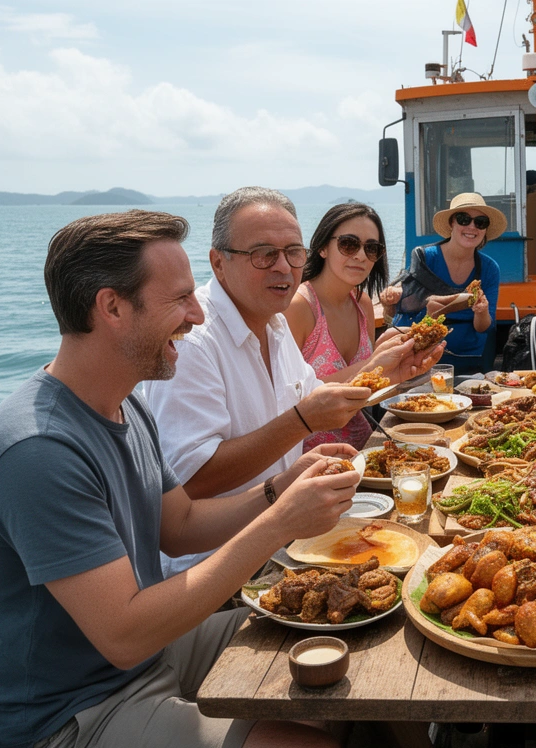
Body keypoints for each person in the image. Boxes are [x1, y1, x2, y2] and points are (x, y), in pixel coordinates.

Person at [0, 209, 353, 748]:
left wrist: (279, 490)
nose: (197, 315)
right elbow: (123, 634)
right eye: (180, 299)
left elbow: (180, 527)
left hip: (146, 658)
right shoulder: (37, 450)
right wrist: (282, 522)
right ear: (112, 307)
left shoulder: (124, 406)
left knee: (332, 643)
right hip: (67, 718)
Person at [144, 187, 434, 576]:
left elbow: (317, 396)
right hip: (219, 573)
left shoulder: (274, 322)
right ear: (218, 262)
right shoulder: (194, 342)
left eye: (292, 252)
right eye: (263, 254)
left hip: (288, 546)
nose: (283, 267)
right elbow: (191, 482)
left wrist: (385, 376)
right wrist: (301, 421)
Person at [285, 202, 445, 449]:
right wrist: (374, 363)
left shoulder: (362, 304)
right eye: (348, 244)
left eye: (372, 248)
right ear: (322, 247)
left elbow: (364, 394)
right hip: (310, 460)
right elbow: (288, 400)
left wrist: (400, 374)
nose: (360, 255)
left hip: (365, 446)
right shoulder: (298, 307)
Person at [381, 192, 503, 374]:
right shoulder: (424, 258)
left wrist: (481, 310)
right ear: (452, 222)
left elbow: (483, 327)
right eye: (463, 219)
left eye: (480, 222)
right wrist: (390, 299)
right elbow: (401, 308)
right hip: (419, 355)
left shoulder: (489, 269)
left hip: (467, 358)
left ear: (485, 229)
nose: (472, 227)